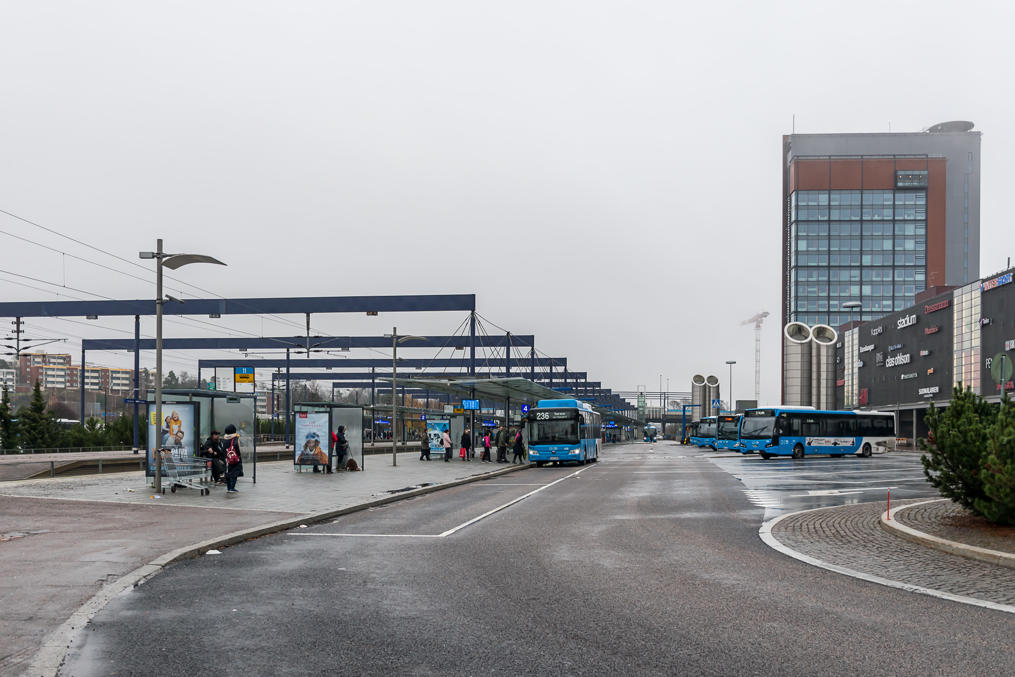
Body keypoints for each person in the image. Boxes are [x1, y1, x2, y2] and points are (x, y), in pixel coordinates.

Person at [223, 424, 243, 494]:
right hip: (235, 458)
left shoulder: (224, 439)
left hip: (227, 459)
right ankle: (232, 487)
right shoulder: (235, 438)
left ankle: (228, 488)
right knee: (235, 473)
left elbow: (223, 449)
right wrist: (239, 456)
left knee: (228, 472)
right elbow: (238, 448)